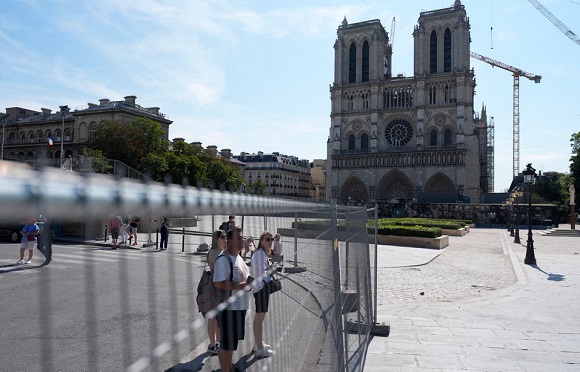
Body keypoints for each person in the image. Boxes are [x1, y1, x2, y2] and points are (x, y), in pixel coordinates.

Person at [213, 226, 252, 372]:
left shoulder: (238, 257)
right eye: (238, 238)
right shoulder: (223, 259)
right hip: (229, 309)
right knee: (226, 344)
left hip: (239, 308)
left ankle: (228, 366)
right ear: (229, 241)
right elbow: (218, 283)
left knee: (232, 343)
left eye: (242, 237)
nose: (242, 240)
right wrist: (242, 286)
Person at [250, 231, 275, 358]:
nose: (270, 242)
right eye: (267, 239)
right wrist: (270, 270)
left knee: (261, 317)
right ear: (261, 241)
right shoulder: (259, 254)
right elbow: (260, 273)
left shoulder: (262, 254)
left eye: (271, 239)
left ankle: (257, 343)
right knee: (259, 318)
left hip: (261, 288)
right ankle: (259, 349)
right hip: (260, 288)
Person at [205, 230, 227, 354]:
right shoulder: (214, 253)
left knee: (218, 318)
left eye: (225, 237)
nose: (225, 239)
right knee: (212, 317)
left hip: (221, 288)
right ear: (216, 239)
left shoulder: (222, 252)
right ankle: (212, 344)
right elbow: (219, 269)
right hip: (214, 288)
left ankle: (218, 343)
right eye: (222, 237)